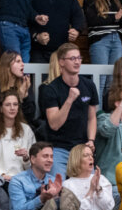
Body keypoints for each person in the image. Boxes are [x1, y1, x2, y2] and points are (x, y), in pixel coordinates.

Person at [40, 42, 98, 177]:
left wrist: (91, 140)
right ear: (61, 62)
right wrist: (69, 100)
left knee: (90, 186)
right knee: (58, 187)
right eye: (72, 59)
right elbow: (54, 124)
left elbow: (92, 117)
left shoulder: (89, 85)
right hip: (60, 148)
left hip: (82, 147)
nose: (77, 62)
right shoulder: (51, 89)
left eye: (79, 58)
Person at [29, 0, 85, 64]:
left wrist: (77, 30)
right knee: (40, 81)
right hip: (37, 52)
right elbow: (23, 18)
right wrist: (36, 36)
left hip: (62, 52)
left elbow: (78, 15)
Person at [0, 89, 35, 181]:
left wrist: (26, 158)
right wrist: (3, 175)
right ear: (1, 108)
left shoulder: (26, 130)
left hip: (22, 180)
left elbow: (34, 166)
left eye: (15, 104)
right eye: (8, 105)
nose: (12, 108)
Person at [0, 51, 38, 131]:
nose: (23, 64)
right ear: (7, 65)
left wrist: (25, 97)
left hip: (21, 127)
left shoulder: (24, 84)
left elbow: (29, 117)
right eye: (18, 61)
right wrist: (18, 98)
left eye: (22, 61)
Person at [8, 141, 62, 210]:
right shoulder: (18, 181)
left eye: (51, 157)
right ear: (33, 159)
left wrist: (57, 197)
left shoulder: (54, 181)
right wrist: (41, 199)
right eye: (45, 156)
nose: (50, 160)